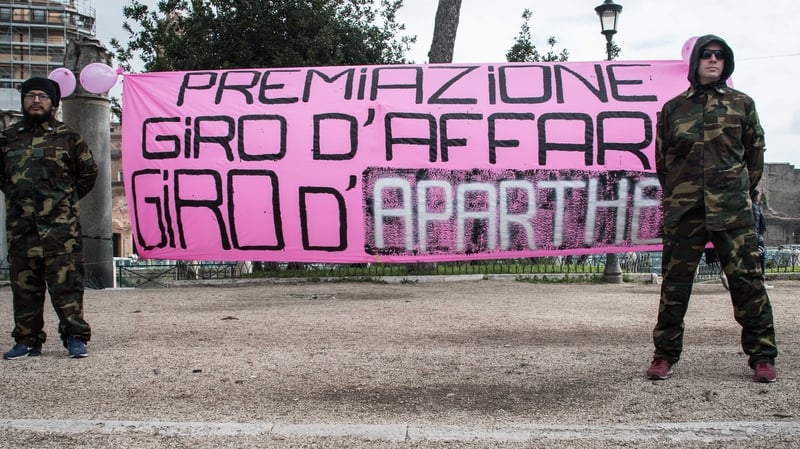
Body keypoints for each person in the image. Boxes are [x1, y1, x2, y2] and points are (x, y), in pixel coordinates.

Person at [647, 35, 778, 382]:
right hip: (686, 211)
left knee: (747, 282)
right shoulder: (674, 109)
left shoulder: (742, 105)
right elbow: (663, 162)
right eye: (706, 55)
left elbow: (755, 155)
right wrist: (680, 191)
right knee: (675, 285)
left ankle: (762, 355)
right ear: (695, 62)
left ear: (726, 63)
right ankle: (664, 354)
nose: (713, 60)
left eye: (720, 56)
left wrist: (739, 190)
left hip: (732, 210)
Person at [1, 77, 98, 359]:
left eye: (42, 96)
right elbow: (3, 178)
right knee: (24, 287)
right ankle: (27, 340)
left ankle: (75, 337)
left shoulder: (68, 137)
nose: (35, 100)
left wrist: (63, 202)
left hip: (60, 229)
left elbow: (88, 174)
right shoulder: (7, 138)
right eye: (30, 95)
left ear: (53, 103)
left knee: (67, 285)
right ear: (23, 101)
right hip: (22, 228)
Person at [751, 190, 772, 289]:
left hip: (755, 236)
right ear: (755, 196)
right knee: (761, 257)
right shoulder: (754, 206)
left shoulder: (754, 205)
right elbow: (756, 222)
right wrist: (757, 236)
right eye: (759, 195)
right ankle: (761, 281)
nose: (760, 197)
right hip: (756, 237)